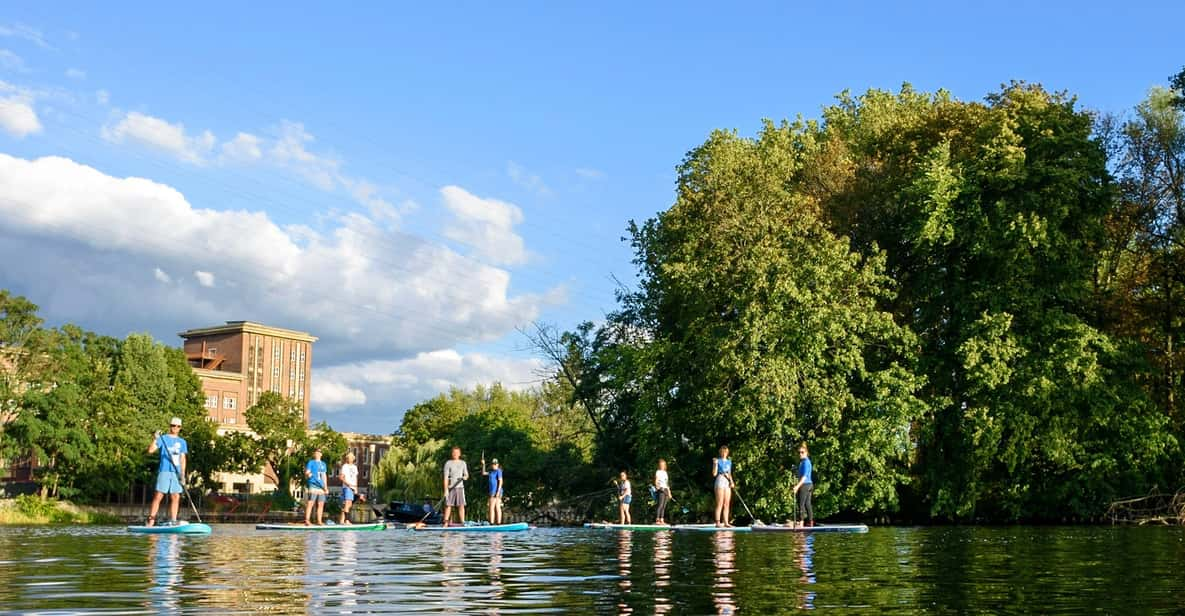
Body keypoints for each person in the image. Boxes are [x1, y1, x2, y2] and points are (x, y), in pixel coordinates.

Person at [146, 417, 188, 526]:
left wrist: (183, 474)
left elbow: (183, 458)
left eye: (178, 426)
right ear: (170, 426)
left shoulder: (182, 442)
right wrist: (155, 438)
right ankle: (151, 520)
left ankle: (173, 520)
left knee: (175, 496)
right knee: (159, 495)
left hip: (176, 472)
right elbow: (150, 450)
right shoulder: (163, 439)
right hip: (164, 471)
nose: (175, 428)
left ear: (180, 428)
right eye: (173, 425)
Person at [442, 446, 469, 525]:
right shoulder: (448, 463)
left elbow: (467, 475)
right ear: (452, 453)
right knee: (448, 505)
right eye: (454, 453)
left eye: (457, 453)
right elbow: (445, 478)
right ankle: (445, 523)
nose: (455, 454)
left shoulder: (463, 463)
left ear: (459, 454)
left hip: (460, 487)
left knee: (461, 505)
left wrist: (465, 477)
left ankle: (463, 522)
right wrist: (446, 490)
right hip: (450, 488)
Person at [304, 447, 328, 526]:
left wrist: (325, 487)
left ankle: (319, 521)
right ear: (314, 454)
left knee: (321, 504)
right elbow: (307, 472)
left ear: (321, 454)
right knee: (311, 503)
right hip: (313, 484)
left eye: (319, 453)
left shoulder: (323, 464)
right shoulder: (311, 462)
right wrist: (308, 474)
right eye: (316, 453)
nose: (317, 454)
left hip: (321, 487)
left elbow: (324, 476)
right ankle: (307, 520)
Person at [792, 442, 814, 528]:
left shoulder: (806, 462)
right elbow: (800, 475)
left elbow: (804, 477)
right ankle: (810, 523)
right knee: (807, 504)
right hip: (809, 485)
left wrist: (797, 486)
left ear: (806, 453)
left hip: (805, 485)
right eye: (799, 452)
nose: (800, 454)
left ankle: (801, 524)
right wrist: (795, 470)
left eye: (802, 452)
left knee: (801, 504)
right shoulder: (802, 463)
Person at [712, 446, 734, 527]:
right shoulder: (718, 461)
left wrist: (732, 482)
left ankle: (726, 522)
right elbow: (714, 473)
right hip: (720, 480)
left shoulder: (729, 462)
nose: (724, 453)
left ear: (727, 453)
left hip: (727, 481)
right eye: (722, 451)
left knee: (727, 503)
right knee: (720, 502)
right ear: (720, 452)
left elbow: (729, 473)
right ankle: (717, 522)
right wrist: (715, 464)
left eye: (725, 452)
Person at [338, 451, 360, 525]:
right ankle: (346, 520)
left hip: (353, 487)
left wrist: (356, 488)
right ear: (347, 459)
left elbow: (355, 478)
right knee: (347, 503)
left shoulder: (355, 467)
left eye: (351, 458)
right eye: (349, 458)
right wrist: (348, 484)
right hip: (347, 487)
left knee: (349, 504)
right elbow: (341, 477)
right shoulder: (344, 466)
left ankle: (342, 520)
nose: (350, 459)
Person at [481, 455, 504, 525]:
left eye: (495, 464)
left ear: (497, 464)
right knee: (494, 507)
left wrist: (498, 492)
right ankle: (495, 523)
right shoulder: (491, 472)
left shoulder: (498, 471)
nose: (494, 465)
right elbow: (483, 473)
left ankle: (494, 523)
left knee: (494, 507)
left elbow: (500, 481)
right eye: (493, 464)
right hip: (492, 492)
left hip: (496, 492)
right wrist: (483, 464)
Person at [654, 459, 672, 525]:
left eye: (663, 465)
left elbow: (667, 483)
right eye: (661, 465)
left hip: (666, 489)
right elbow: (656, 480)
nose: (662, 466)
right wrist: (657, 486)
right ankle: (657, 520)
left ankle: (662, 520)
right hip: (661, 489)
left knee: (664, 506)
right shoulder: (658, 472)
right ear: (659, 465)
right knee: (660, 505)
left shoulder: (665, 473)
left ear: (665, 465)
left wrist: (669, 493)